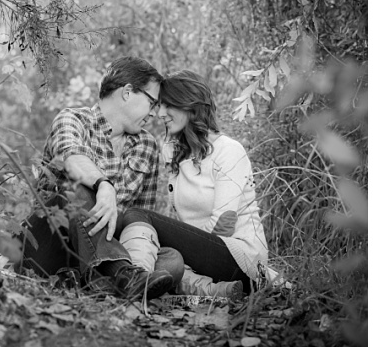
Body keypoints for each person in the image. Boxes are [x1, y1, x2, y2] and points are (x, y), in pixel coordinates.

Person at [18, 56, 179, 300]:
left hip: (108, 246)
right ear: (127, 92)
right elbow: (71, 159)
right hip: (52, 244)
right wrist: (103, 185)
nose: (155, 114)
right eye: (152, 103)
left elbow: (139, 217)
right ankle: (119, 274)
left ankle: (103, 279)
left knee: (172, 260)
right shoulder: (73, 119)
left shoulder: (146, 145)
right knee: (73, 190)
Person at [122, 70, 268, 298]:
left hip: (239, 254)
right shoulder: (173, 151)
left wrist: (178, 242)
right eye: (159, 106)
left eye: (167, 105)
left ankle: (135, 276)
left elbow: (224, 225)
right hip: (206, 255)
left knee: (137, 216)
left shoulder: (228, 151)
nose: (160, 113)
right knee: (168, 265)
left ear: (189, 105)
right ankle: (221, 291)